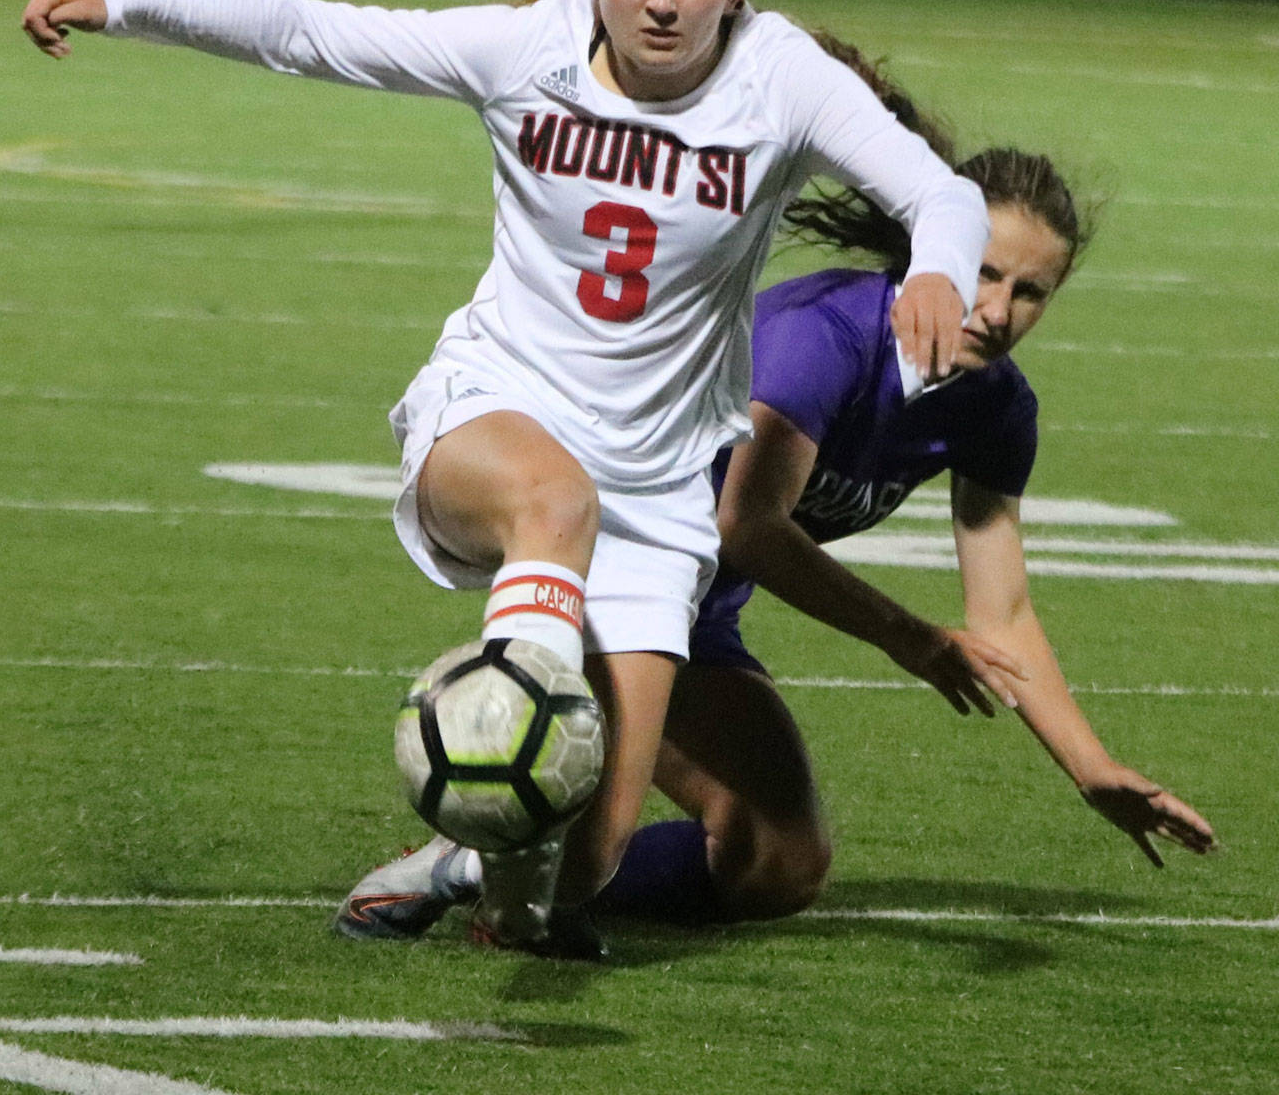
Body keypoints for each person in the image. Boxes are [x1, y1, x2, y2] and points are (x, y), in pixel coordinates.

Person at [22, 0, 992, 958]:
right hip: (494, 413)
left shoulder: (780, 76)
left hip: (658, 488)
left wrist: (936, 266)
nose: (662, 1)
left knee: (591, 853)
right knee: (552, 501)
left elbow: (942, 193)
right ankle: (496, 714)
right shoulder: (525, 49)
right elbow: (309, 32)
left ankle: (480, 873)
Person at [334, 104, 1216, 944]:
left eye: (1031, 290)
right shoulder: (826, 335)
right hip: (614, 573)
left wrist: (1091, 768)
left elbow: (1005, 614)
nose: (998, 308)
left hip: (699, 617)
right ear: (931, 247)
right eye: (983, 271)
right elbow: (745, 524)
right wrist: (905, 635)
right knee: (590, 852)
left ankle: (514, 866)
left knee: (777, 864)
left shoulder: (996, 410)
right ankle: (484, 852)